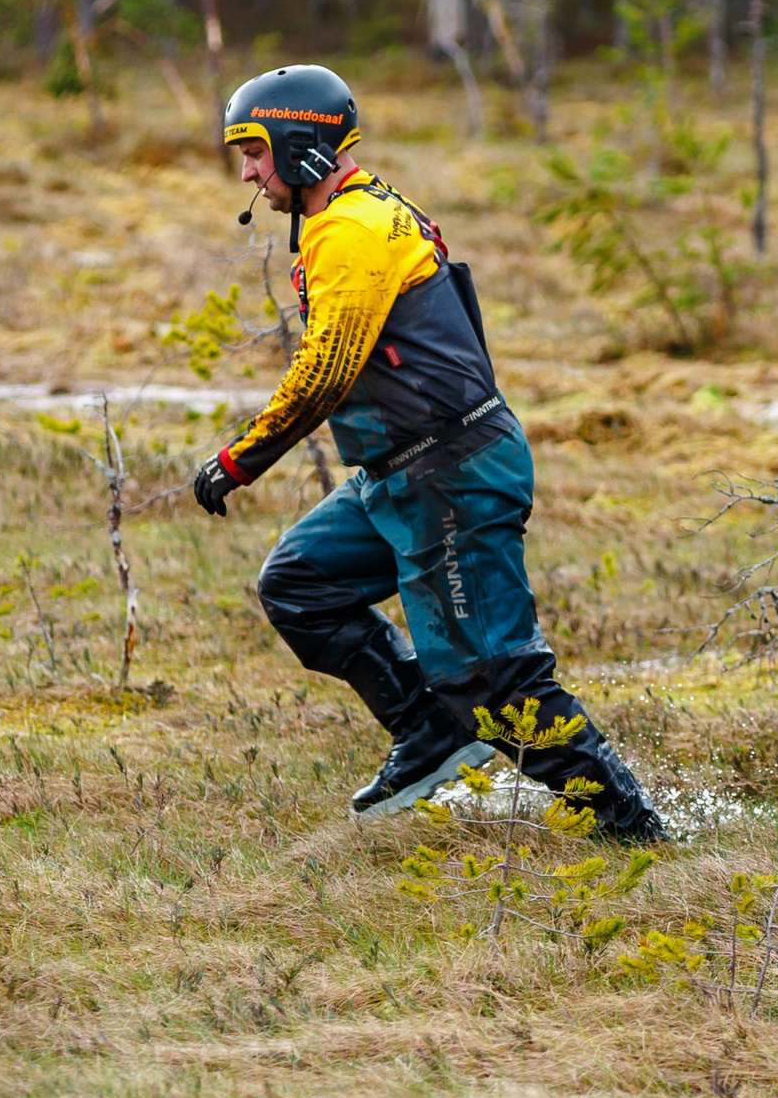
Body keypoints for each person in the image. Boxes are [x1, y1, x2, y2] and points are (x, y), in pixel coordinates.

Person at [192, 64, 668, 841]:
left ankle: (629, 825)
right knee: (301, 583)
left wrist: (239, 459)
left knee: (495, 678)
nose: (247, 172)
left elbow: (323, 373)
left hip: (453, 473)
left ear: (299, 141)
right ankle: (432, 730)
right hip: (401, 474)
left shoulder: (352, 229)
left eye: (254, 151)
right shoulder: (346, 215)